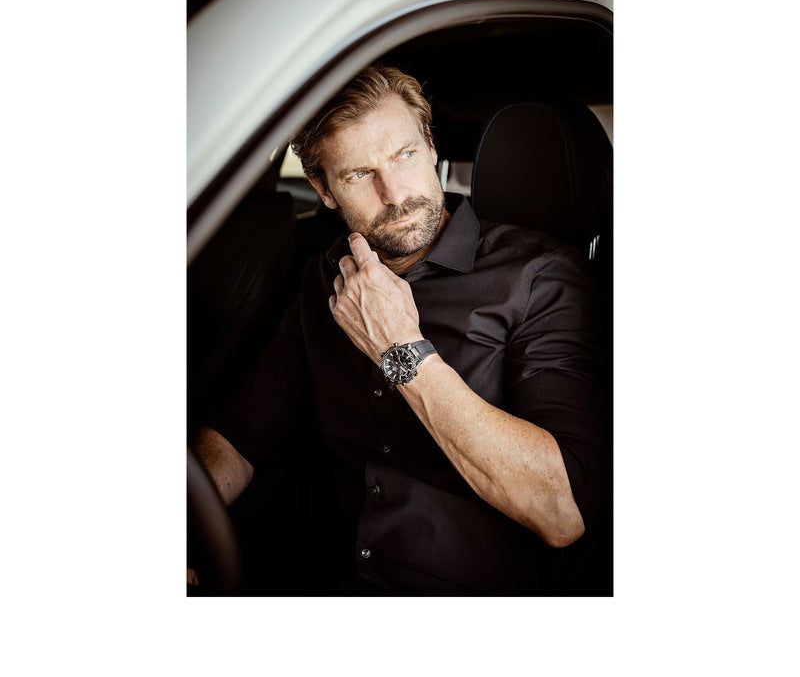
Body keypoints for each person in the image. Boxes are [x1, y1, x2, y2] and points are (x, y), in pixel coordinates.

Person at [193, 64, 608, 596]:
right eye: (359, 175)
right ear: (323, 189)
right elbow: (243, 432)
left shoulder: (537, 277)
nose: (394, 194)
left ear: (430, 146)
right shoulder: (326, 276)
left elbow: (561, 511)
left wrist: (398, 348)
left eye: (404, 155)